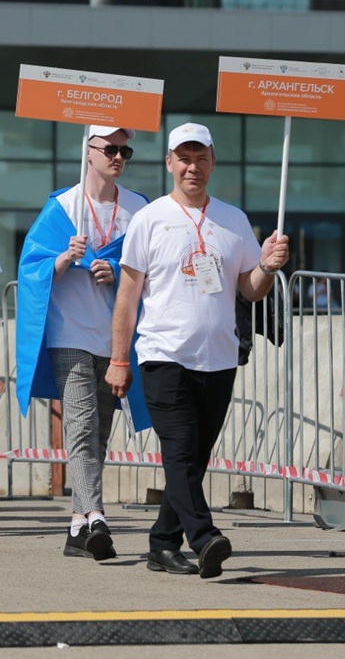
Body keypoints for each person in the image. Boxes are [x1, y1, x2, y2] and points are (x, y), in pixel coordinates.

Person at [106, 122, 289, 579]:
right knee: (181, 451)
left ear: (213, 162)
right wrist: (119, 358)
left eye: (201, 158)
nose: (193, 167)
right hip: (163, 355)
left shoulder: (233, 220)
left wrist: (267, 265)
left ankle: (162, 544)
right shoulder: (150, 219)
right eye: (184, 158)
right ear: (169, 162)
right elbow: (127, 296)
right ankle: (206, 538)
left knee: (193, 459)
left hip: (219, 359)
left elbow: (250, 289)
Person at [17, 126, 149, 561]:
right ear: (88, 152)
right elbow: (30, 270)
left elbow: (153, 270)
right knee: (81, 426)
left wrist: (118, 272)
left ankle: (77, 527)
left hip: (115, 340)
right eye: (109, 149)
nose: (118, 157)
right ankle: (96, 516)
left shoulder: (139, 209)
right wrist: (63, 257)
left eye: (125, 151)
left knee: (100, 432)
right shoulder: (62, 207)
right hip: (69, 334)